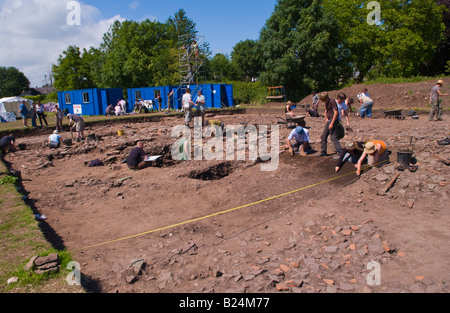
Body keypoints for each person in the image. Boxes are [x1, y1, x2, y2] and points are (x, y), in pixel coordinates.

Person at [319, 92, 343, 157]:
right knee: (323, 136)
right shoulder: (327, 102)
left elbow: (336, 112)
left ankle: (341, 153)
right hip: (329, 121)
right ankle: (323, 152)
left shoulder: (332, 101)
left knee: (333, 138)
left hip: (333, 121)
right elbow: (326, 111)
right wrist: (326, 119)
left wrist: (332, 123)